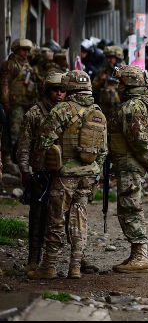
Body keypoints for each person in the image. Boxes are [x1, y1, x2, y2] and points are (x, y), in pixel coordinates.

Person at [27, 70, 108, 280]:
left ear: (69, 88)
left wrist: (38, 166)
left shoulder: (62, 110)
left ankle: (49, 266)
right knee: (79, 220)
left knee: (56, 220)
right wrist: (95, 172)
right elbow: (103, 150)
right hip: (88, 176)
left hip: (64, 176)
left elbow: (44, 140)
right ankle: (75, 267)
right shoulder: (98, 112)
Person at [109, 65, 148, 273]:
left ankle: (140, 255)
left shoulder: (132, 107)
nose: (118, 86)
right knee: (129, 205)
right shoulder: (146, 103)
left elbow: (137, 139)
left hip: (131, 163)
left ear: (129, 83)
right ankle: (135, 254)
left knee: (130, 207)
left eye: (121, 82)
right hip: (132, 162)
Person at [17, 72, 66, 272]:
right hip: (41, 173)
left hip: (62, 173)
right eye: (56, 90)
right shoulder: (35, 114)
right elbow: (24, 145)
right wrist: (25, 170)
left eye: (63, 90)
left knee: (66, 217)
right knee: (37, 217)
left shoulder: (68, 112)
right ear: (47, 91)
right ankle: (33, 259)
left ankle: (72, 260)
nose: (60, 94)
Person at [0, 38, 38, 172]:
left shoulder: (27, 66)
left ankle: (19, 159)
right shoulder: (11, 65)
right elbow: (4, 84)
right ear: (16, 50)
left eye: (28, 50)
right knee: (12, 132)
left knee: (25, 134)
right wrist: (5, 102)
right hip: (14, 104)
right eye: (23, 50)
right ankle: (7, 159)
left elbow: (33, 85)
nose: (26, 53)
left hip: (26, 104)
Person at [92, 45, 124, 121]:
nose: (109, 60)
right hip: (105, 106)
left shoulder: (123, 70)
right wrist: (101, 80)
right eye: (108, 57)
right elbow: (93, 87)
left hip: (119, 105)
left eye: (111, 57)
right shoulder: (103, 70)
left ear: (117, 58)